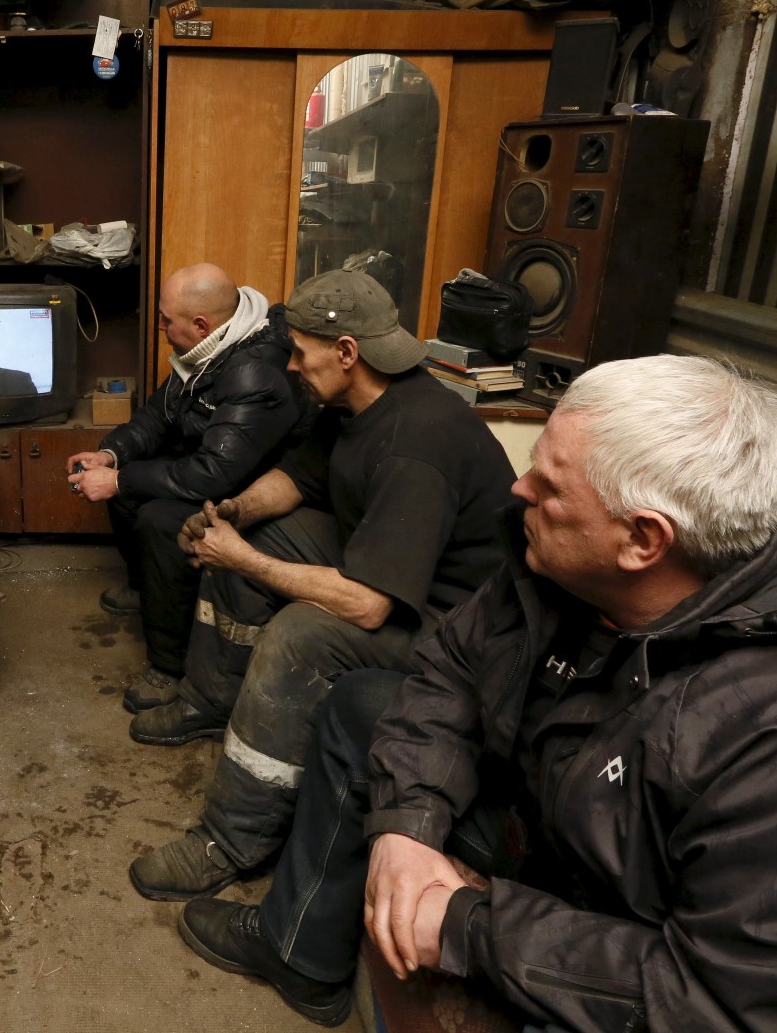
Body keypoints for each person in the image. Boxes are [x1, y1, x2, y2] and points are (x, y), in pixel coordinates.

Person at [174, 354, 777, 1029]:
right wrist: (408, 825)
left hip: (671, 927)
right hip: (574, 815)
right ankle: (300, 955)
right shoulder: (566, 560)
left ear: (643, 540)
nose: (519, 490)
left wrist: (469, 926)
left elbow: (729, 1005)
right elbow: (451, 666)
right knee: (364, 706)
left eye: (549, 484)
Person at [126, 268, 518, 904]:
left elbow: (368, 605)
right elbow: (297, 480)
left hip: (453, 631)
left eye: (300, 353)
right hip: (395, 575)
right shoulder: (353, 402)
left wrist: (242, 560)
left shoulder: (417, 442)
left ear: (346, 352)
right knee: (257, 537)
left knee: (300, 635)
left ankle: (232, 838)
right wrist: (233, 515)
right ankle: (210, 699)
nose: (289, 366)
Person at [66, 263, 305, 712]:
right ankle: (145, 587)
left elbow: (216, 474)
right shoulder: (208, 347)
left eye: (165, 320)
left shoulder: (253, 372)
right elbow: (157, 416)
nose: (160, 327)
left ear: (201, 325)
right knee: (128, 478)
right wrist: (112, 456)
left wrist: (117, 481)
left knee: (159, 519)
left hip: (251, 487)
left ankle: (169, 667)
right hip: (214, 466)